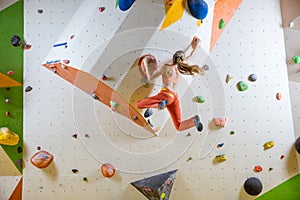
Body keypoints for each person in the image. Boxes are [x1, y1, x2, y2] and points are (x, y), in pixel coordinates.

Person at [136, 36, 205, 132]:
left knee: (139, 104)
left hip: (166, 95)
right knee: (179, 126)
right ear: (181, 59)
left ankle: (158, 106)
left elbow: (151, 77)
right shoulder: (181, 67)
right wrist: (196, 46)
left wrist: (147, 64)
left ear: (173, 57)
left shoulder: (166, 67)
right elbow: (191, 56)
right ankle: (194, 121)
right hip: (174, 97)